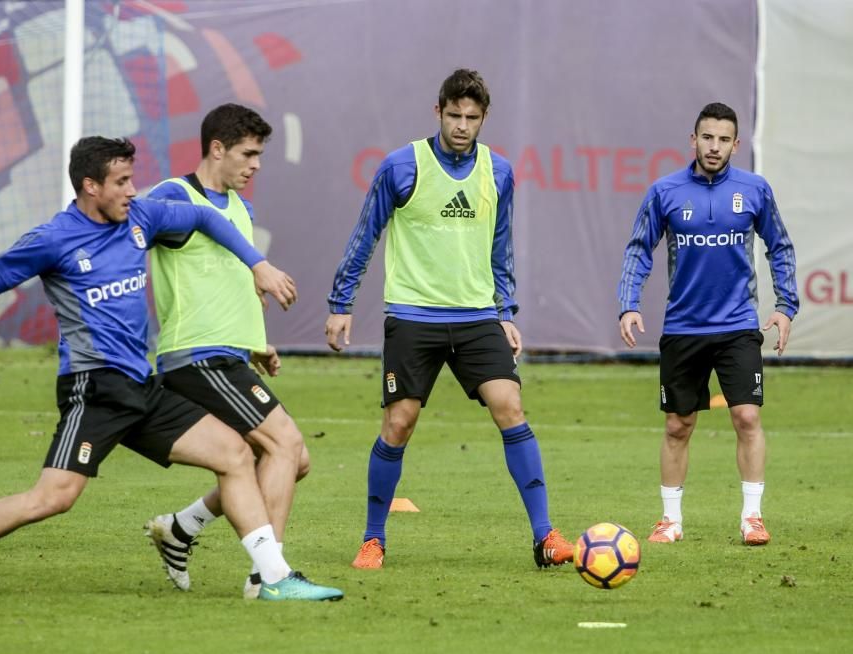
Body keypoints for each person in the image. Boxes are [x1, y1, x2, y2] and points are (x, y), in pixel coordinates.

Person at [0, 136, 343, 602]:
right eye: (121, 182)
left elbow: (205, 216)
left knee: (235, 454)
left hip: (142, 386)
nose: (132, 190)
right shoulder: (54, 238)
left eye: (132, 180)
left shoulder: (142, 217)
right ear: (90, 186)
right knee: (52, 498)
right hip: (93, 390)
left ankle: (273, 577)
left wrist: (258, 265)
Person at [325, 69, 574, 570]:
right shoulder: (401, 166)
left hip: (478, 316)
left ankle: (545, 536)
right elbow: (364, 235)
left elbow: (502, 249)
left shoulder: (498, 172)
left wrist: (505, 313)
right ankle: (374, 538)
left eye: (473, 118)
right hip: (413, 316)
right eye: (455, 115)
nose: (463, 126)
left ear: (484, 119)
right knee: (400, 421)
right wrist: (340, 303)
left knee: (511, 406)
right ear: (438, 111)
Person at [145, 104, 310, 599]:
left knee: (289, 460)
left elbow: (229, 281)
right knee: (284, 443)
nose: (256, 164)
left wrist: (255, 344)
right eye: (248, 153)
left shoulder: (241, 206)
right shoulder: (172, 197)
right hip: (195, 355)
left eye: (260, 154)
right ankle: (268, 576)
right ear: (216, 148)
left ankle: (181, 528)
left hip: (229, 355)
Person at [617, 102, 798, 546]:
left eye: (723, 139)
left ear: (736, 144)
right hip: (683, 327)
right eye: (706, 137)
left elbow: (781, 246)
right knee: (679, 425)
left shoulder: (755, 190)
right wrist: (629, 303)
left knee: (746, 416)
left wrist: (785, 305)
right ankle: (670, 521)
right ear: (692, 140)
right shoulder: (665, 191)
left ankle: (752, 517)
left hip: (737, 324)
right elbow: (639, 249)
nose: (714, 146)